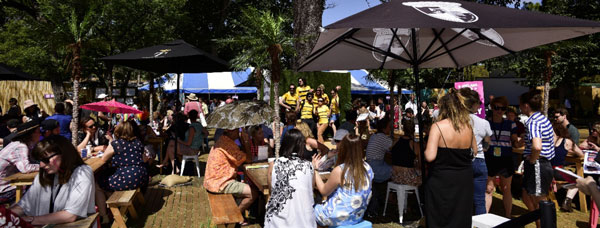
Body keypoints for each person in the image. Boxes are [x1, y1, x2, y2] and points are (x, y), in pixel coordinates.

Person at [9, 136, 95, 226]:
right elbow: (23, 206)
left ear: (63, 154)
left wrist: (30, 220)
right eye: (39, 161)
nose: (41, 165)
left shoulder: (82, 173)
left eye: (46, 160)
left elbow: (70, 215)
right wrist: (5, 214)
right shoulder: (43, 176)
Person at [424, 89, 477, 228]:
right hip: (464, 180)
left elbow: (430, 156)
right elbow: (475, 151)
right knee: (460, 218)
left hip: (442, 180)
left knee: (440, 218)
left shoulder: (437, 127)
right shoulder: (468, 127)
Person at [312, 134, 374, 227]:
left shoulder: (341, 170)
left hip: (337, 216)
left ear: (343, 149)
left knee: (310, 211)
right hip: (356, 215)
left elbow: (324, 191)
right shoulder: (368, 168)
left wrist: (315, 170)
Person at [265, 129, 315, 228]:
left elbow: (272, 191)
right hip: (305, 220)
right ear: (301, 145)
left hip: (278, 221)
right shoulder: (309, 166)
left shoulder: (274, 164)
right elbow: (310, 190)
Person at [519, 90, 555, 228]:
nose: (520, 107)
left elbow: (537, 146)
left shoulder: (533, 121)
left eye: (521, 104)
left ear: (526, 105)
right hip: (542, 163)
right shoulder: (542, 118)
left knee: (540, 201)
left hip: (539, 164)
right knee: (531, 197)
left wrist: (533, 160)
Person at [203, 128, 257, 217]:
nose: (239, 132)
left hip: (213, 181)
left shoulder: (223, 140)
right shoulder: (228, 145)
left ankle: (237, 213)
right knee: (253, 193)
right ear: (230, 131)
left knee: (242, 185)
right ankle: (234, 216)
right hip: (220, 183)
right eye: (237, 130)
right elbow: (248, 159)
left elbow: (241, 156)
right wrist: (246, 142)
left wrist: (242, 141)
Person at [459, 87, 492, 215]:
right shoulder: (483, 123)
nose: (480, 106)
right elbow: (488, 142)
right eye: (479, 103)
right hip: (479, 160)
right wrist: (481, 148)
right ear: (473, 104)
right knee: (479, 201)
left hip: (463, 160)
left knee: (462, 199)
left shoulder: (459, 121)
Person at [485, 96, 518, 217]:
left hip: (506, 159)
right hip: (490, 158)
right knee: (489, 189)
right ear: (492, 108)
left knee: (506, 188)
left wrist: (522, 141)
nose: (499, 111)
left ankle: (508, 216)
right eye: (496, 108)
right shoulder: (486, 122)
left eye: (503, 108)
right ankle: (485, 217)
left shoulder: (511, 124)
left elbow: (514, 141)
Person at [0, 121, 41, 204]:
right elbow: (25, 168)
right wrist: (44, 166)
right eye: (38, 132)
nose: (40, 134)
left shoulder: (18, 144)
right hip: (3, 189)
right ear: (31, 134)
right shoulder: (20, 146)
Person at [159, 110, 206, 174]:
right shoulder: (197, 125)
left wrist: (178, 140)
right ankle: (167, 162)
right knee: (171, 142)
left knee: (170, 146)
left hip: (191, 149)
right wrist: (199, 138)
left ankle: (169, 164)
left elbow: (188, 143)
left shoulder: (191, 127)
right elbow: (207, 133)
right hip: (194, 147)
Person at [551, 123, 584, 212]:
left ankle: (555, 189)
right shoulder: (567, 141)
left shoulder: (548, 140)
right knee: (578, 180)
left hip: (547, 169)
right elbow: (581, 154)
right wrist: (571, 152)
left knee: (569, 179)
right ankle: (567, 202)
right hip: (558, 170)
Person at [391, 119, 422, 187]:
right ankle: (418, 196)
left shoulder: (395, 141)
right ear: (414, 130)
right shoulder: (415, 145)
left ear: (403, 129)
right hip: (408, 177)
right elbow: (420, 164)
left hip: (394, 176)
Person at [365, 117, 392, 183]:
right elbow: (393, 148)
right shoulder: (383, 138)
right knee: (396, 171)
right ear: (384, 128)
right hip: (375, 167)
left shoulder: (374, 136)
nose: (390, 128)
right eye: (389, 126)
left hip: (369, 165)